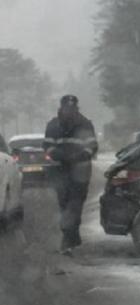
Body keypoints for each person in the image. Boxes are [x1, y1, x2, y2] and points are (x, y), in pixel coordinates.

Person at [44, 95, 98, 254]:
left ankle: (68, 240)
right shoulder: (53, 125)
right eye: (67, 108)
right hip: (59, 171)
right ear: (61, 108)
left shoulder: (85, 124)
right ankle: (72, 237)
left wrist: (82, 156)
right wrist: (60, 155)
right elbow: (47, 145)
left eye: (72, 108)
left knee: (75, 204)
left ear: (76, 108)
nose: (69, 111)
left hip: (80, 172)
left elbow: (92, 145)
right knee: (65, 204)